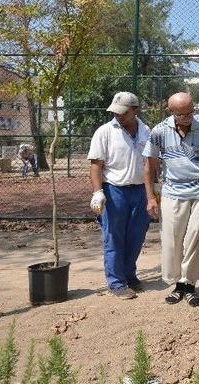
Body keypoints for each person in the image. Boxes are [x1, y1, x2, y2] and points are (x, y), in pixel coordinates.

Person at [143, 92, 199, 307]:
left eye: (191, 111)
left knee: (194, 237)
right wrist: (150, 197)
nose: (188, 117)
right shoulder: (159, 131)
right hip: (173, 191)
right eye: (182, 114)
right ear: (171, 112)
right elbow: (150, 166)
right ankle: (175, 281)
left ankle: (188, 285)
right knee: (171, 239)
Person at [87, 91, 152, 300]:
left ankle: (129, 275)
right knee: (114, 237)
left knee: (136, 237)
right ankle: (116, 282)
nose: (118, 116)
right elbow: (96, 166)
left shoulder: (146, 131)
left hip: (140, 191)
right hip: (114, 190)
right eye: (115, 112)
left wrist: (154, 189)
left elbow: (150, 163)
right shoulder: (104, 132)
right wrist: (98, 192)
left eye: (123, 112)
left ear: (135, 111)